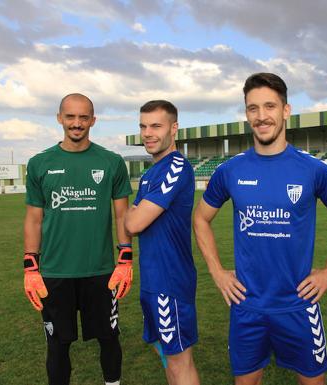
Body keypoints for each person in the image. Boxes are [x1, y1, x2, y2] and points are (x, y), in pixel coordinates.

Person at [193, 72, 327, 385]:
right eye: (253, 108)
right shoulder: (230, 171)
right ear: (246, 114)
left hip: (298, 305)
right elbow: (201, 218)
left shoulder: (313, 169)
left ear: (285, 110)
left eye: (269, 106)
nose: (261, 116)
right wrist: (216, 271)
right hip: (247, 306)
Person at [23, 93, 133, 385]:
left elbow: (122, 216)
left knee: (109, 338)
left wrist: (125, 258)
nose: (77, 123)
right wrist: (30, 266)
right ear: (60, 118)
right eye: (70, 116)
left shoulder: (111, 162)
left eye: (83, 117)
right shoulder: (39, 163)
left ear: (93, 121)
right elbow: (34, 218)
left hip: (101, 271)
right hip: (55, 273)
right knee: (57, 344)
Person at [124, 100, 200, 385]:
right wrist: (135, 212)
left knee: (180, 361)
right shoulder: (151, 173)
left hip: (170, 280)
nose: (148, 133)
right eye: (143, 126)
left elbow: (132, 222)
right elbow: (134, 217)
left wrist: (134, 212)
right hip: (154, 279)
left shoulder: (175, 167)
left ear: (174, 128)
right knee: (166, 355)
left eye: (156, 125)